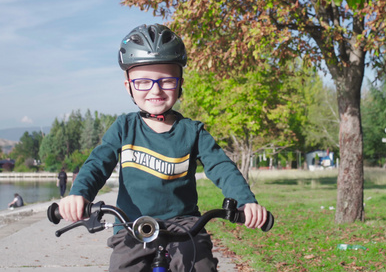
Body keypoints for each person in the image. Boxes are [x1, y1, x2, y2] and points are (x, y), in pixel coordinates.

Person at [58, 24, 268, 272]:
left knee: (199, 264)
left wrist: (245, 202)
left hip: (184, 224)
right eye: (143, 82)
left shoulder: (193, 131)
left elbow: (221, 167)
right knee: (124, 267)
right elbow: (98, 163)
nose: (155, 90)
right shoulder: (124, 128)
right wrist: (79, 194)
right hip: (131, 224)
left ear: (180, 84)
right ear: (129, 86)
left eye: (167, 80)